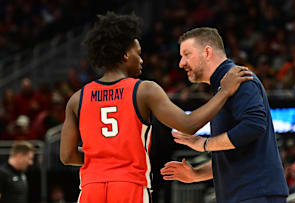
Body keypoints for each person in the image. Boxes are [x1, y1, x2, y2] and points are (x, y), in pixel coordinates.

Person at [59, 12, 253, 203]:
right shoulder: (144, 90)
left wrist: (102, 160)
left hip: (90, 188)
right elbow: (188, 123)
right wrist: (224, 92)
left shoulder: (77, 99)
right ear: (125, 55)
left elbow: (67, 156)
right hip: (129, 186)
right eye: (139, 53)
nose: (142, 60)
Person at [160, 27, 289, 202]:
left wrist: (204, 144)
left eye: (186, 54)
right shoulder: (223, 87)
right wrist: (196, 174)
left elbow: (254, 126)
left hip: (255, 193)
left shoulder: (239, 78)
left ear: (207, 52)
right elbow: (234, 154)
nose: (181, 63)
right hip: (244, 193)